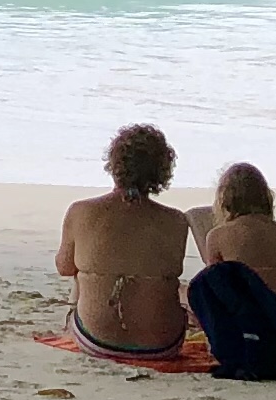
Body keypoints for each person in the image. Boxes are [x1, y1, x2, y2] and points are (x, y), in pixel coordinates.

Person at [54, 123, 193, 359]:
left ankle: (91, 323)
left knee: (81, 274)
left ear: (114, 164)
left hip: (96, 341)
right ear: (161, 170)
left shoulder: (81, 211)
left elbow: (64, 267)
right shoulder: (176, 221)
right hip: (163, 344)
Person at [185, 163, 276, 316]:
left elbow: (213, 295)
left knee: (184, 293)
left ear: (224, 198)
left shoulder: (219, 235)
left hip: (251, 332)